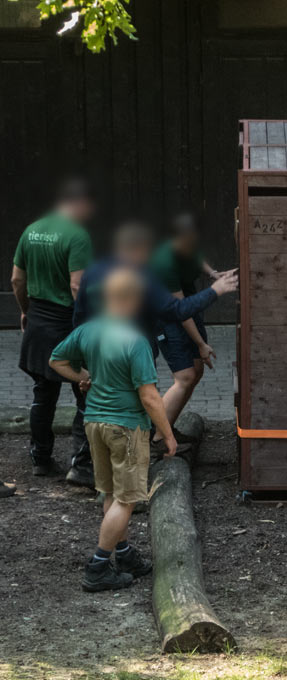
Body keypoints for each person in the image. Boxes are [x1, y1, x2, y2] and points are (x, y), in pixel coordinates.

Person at [69, 221, 237, 485]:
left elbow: (79, 317)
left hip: (99, 351)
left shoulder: (94, 272)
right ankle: (127, 479)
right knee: (137, 404)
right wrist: (215, 291)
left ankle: (87, 467)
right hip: (130, 352)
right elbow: (178, 310)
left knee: (97, 406)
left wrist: (82, 365)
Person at [49, 267, 177, 592]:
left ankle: (124, 553)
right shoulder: (136, 342)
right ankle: (98, 566)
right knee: (126, 499)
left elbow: (56, 359)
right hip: (127, 428)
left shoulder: (89, 331)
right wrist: (167, 433)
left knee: (110, 492)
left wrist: (82, 377)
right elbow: (149, 396)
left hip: (94, 424)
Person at [11, 177, 94, 478]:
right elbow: (77, 286)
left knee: (42, 394)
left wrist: (25, 311)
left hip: (38, 321)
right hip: (67, 323)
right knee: (85, 391)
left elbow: (17, 280)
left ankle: (41, 459)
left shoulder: (31, 230)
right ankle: (82, 466)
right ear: (78, 203)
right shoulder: (77, 236)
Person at [149, 211, 229, 454]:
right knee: (184, 377)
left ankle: (167, 428)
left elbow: (196, 258)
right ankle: (154, 438)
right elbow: (180, 311)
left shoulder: (187, 248)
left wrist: (214, 274)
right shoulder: (164, 262)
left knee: (196, 371)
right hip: (169, 318)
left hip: (186, 311)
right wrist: (201, 344)